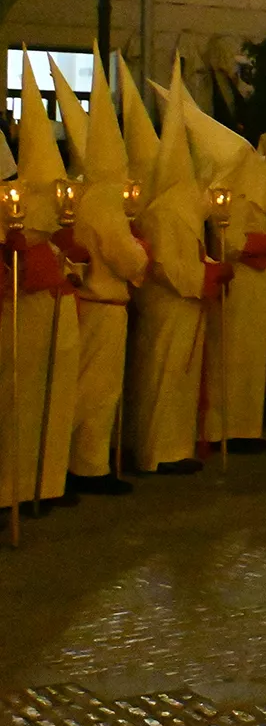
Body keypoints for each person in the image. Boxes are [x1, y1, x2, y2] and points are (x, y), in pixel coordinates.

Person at [131, 59, 232, 472]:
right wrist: (207, 274)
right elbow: (169, 266)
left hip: (184, 305)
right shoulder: (167, 211)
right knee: (164, 377)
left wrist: (209, 266)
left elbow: (190, 252)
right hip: (170, 304)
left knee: (179, 378)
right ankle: (159, 452)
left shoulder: (182, 208)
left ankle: (176, 447)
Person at [55, 54, 149, 496]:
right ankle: (85, 466)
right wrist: (140, 254)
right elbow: (122, 255)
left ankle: (78, 463)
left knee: (87, 385)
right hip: (102, 302)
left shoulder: (85, 193)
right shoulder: (107, 198)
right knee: (95, 388)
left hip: (90, 301)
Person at [178, 78, 266, 453]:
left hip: (260, 284)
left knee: (253, 358)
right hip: (239, 283)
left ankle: (245, 426)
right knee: (230, 356)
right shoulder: (231, 198)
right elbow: (231, 242)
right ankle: (222, 428)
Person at [2, 61, 83, 507]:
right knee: (19, 406)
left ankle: (44, 484)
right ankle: (11, 489)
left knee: (50, 403)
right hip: (24, 318)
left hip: (53, 316)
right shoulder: (16, 211)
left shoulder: (49, 218)